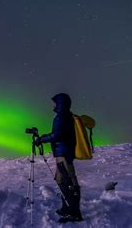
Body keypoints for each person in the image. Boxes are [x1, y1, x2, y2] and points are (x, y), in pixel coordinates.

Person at [36, 93, 83, 223]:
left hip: (63, 153)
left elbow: (57, 135)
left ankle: (74, 212)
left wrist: (42, 139)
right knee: (61, 179)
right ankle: (66, 207)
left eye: (55, 103)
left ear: (61, 104)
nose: (54, 105)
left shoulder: (61, 117)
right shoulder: (67, 116)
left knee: (69, 181)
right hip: (63, 152)